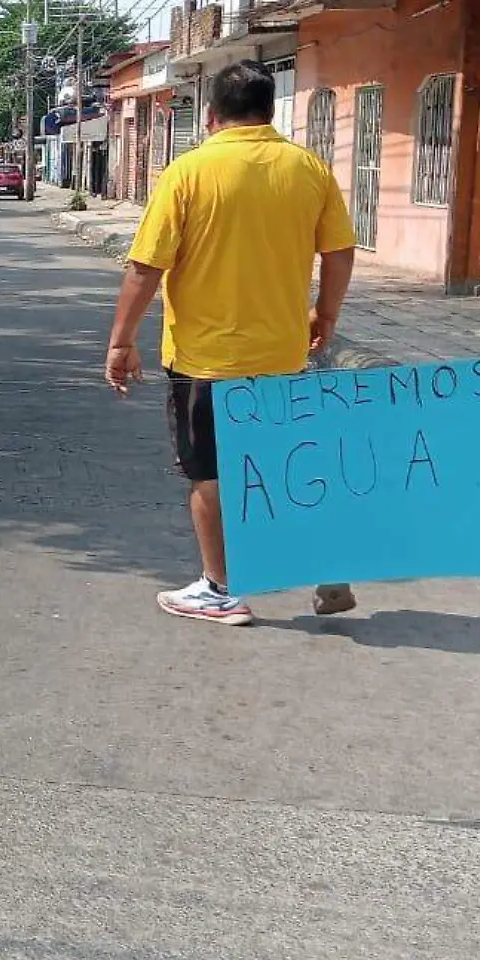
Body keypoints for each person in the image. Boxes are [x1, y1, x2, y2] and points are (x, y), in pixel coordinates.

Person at [105, 59, 357, 627]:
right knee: (285, 462)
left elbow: (146, 267)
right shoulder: (308, 169)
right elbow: (340, 251)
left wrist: (121, 342)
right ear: (270, 111)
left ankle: (219, 589)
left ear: (212, 115)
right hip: (283, 354)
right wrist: (327, 313)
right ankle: (325, 558)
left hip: (204, 359)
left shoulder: (189, 172)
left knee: (210, 473)